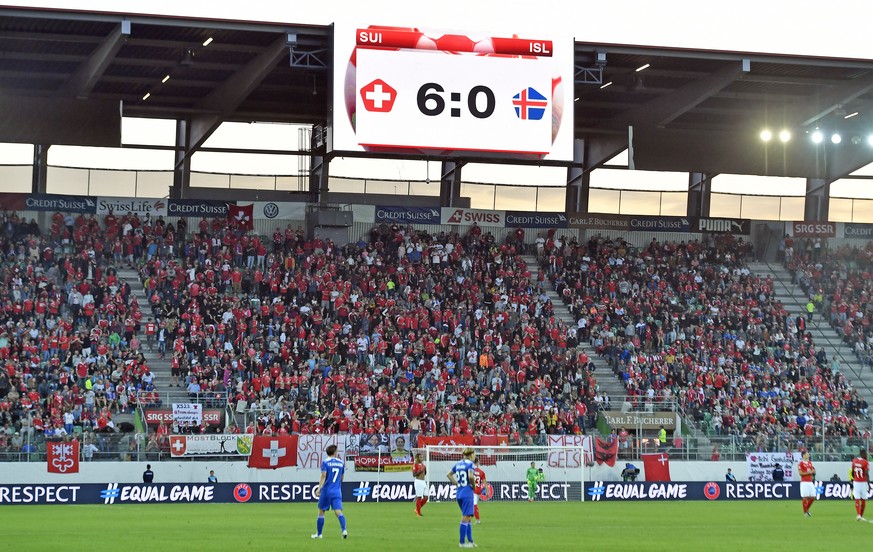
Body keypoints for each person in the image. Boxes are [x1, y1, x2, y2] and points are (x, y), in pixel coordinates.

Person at [312, 444, 347, 539]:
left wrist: (319, 488)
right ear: (335, 452)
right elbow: (342, 478)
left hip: (327, 491)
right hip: (337, 491)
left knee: (321, 512)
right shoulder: (341, 463)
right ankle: (344, 530)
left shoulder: (325, 462)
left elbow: (323, 476)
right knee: (338, 511)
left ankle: (319, 534)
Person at [447, 447, 476, 548]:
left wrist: (456, 484)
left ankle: (471, 541)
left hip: (459, 493)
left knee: (468, 518)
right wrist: (473, 485)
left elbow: (449, 474)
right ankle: (462, 543)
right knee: (466, 518)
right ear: (471, 454)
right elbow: (471, 476)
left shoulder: (458, 464)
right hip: (467, 493)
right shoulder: (470, 464)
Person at [851, 448, 869, 521]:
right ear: (863, 454)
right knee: (864, 499)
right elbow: (866, 473)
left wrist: (855, 478)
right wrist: (868, 483)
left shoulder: (854, 461)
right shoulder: (865, 462)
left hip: (856, 482)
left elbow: (852, 472)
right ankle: (861, 515)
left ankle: (858, 515)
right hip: (863, 482)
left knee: (857, 499)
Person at [798, 451, 816, 517]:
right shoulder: (801, 464)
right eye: (807, 454)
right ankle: (805, 513)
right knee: (805, 497)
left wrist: (813, 472)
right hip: (804, 482)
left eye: (808, 454)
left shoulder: (810, 463)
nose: (808, 455)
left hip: (810, 482)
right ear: (803, 455)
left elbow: (813, 471)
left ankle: (806, 510)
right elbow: (800, 473)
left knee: (813, 496)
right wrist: (809, 472)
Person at [412, 452, 428, 517]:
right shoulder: (415, 465)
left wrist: (424, 470)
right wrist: (420, 470)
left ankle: (417, 509)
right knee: (419, 497)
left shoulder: (423, 465)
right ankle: (418, 513)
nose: (422, 458)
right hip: (418, 481)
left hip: (423, 481)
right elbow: (414, 475)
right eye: (420, 457)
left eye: (422, 457)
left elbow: (425, 473)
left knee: (426, 497)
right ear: (417, 458)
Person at [473, 460, 487, 524]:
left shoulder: (469, 470)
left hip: (472, 490)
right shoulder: (481, 472)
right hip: (478, 490)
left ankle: (478, 520)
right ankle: (472, 517)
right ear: (477, 463)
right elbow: (484, 483)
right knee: (473, 504)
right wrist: (487, 491)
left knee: (474, 505)